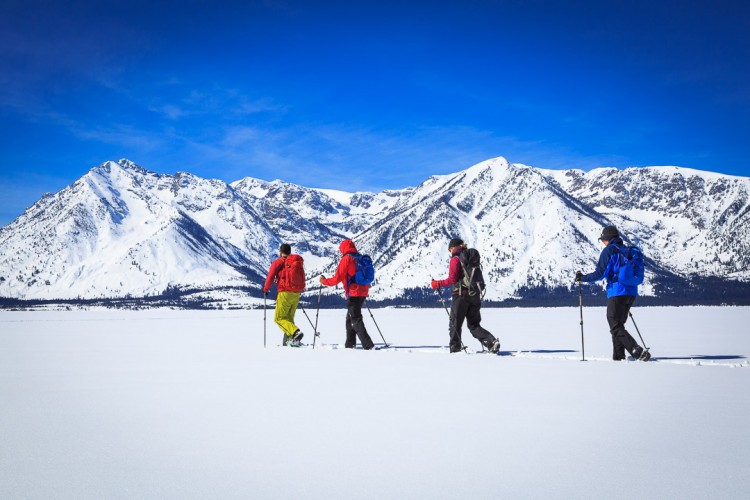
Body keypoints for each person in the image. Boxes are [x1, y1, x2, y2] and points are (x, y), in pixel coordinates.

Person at [576, 225, 651, 361]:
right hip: (631, 292)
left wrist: (582, 278)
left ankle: (636, 350)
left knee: (614, 325)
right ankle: (618, 357)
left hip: (617, 292)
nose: (602, 242)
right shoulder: (629, 251)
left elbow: (600, 274)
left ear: (608, 239)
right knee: (618, 325)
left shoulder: (609, 251)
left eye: (603, 239)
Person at [431, 238, 500, 353]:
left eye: (450, 249)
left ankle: (455, 351)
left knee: (454, 325)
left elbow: (452, 279)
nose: (450, 252)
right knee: (474, 325)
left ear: (453, 247)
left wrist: (437, 283)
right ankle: (492, 342)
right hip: (475, 295)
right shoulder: (470, 259)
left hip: (461, 296)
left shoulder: (456, 259)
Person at [319, 239, 375, 350]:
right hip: (363, 292)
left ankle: (368, 345)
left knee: (355, 319)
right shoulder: (359, 258)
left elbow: (337, 278)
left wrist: (324, 281)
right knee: (350, 319)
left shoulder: (347, 259)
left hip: (353, 293)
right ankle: (350, 344)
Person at [263, 243, 304, 347]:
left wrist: (265, 289)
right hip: (296, 294)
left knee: (279, 318)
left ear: (280, 252)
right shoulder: (295, 262)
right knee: (289, 319)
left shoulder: (279, 262)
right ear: (289, 252)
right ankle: (289, 342)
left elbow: (271, 276)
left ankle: (295, 332)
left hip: (285, 293)